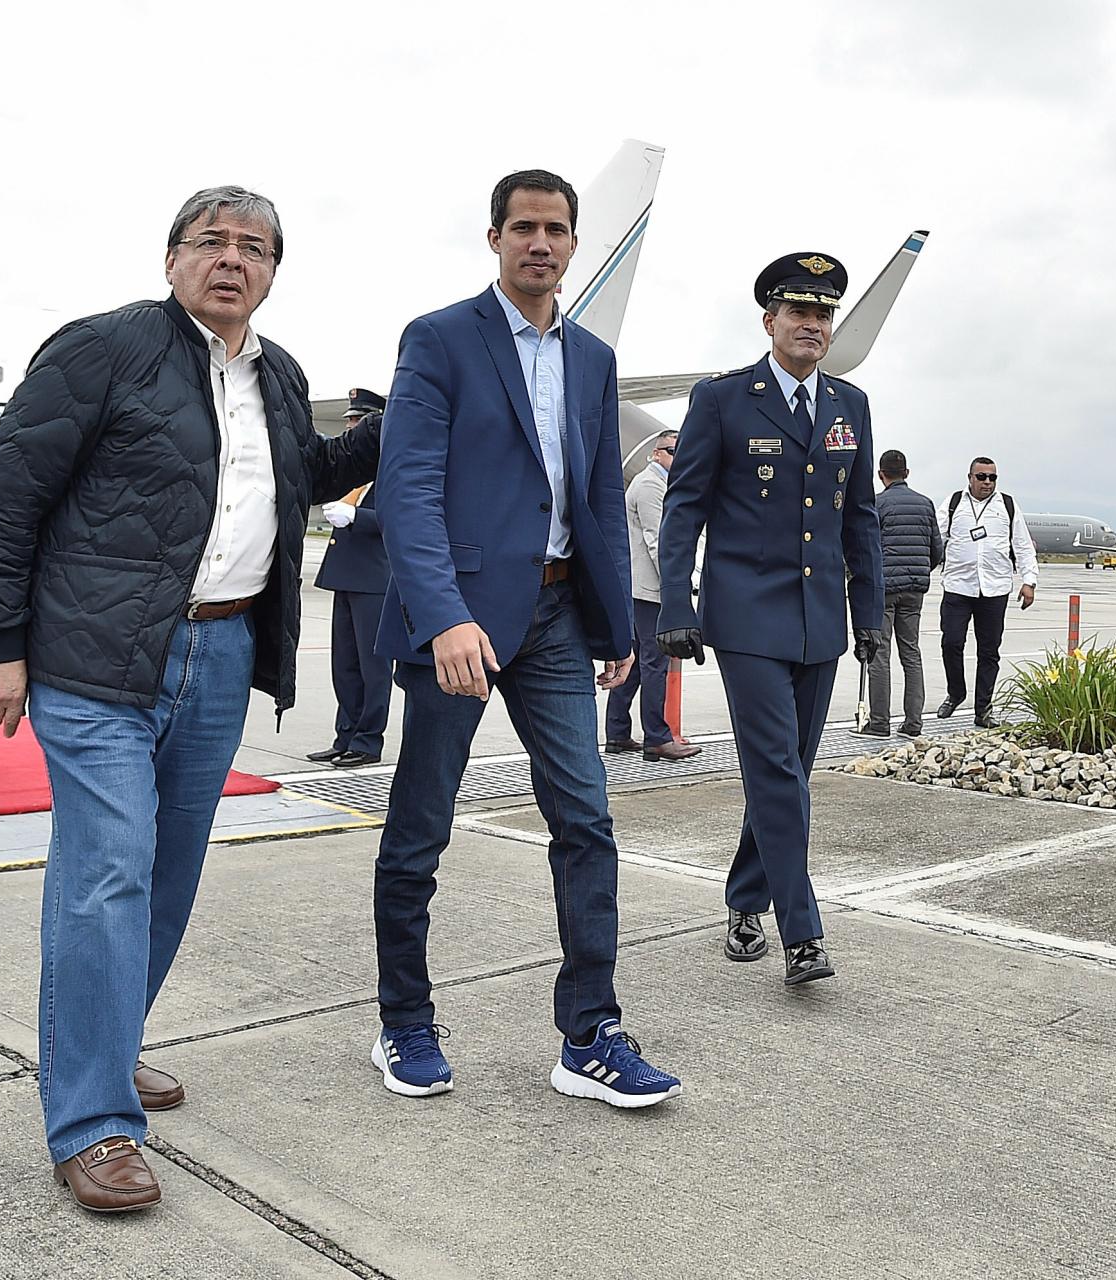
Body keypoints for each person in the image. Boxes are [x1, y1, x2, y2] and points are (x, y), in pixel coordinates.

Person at [0, 185, 380, 1212]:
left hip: (221, 652)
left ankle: (103, 1046)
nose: (230, 260)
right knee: (107, 873)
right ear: (170, 258)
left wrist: (406, 416)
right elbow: (6, 490)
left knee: (171, 872)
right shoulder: (101, 348)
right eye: (210, 242)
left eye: (253, 247)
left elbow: (304, 474)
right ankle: (94, 1119)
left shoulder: (278, 373)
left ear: (274, 271)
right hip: (95, 658)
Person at [372, 169, 681, 1109]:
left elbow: (592, 495)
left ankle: (590, 1034)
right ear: (496, 238)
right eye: (523, 228)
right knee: (421, 827)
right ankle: (405, 1023)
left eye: (556, 230)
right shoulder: (440, 341)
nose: (539, 243)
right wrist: (443, 618)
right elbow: (409, 489)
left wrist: (611, 613)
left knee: (585, 821)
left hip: (553, 617)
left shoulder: (590, 358)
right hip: (458, 621)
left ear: (575, 244)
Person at [656, 251, 882, 986]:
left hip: (820, 620)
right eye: (799, 312)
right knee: (779, 770)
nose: (812, 325)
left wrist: (869, 611)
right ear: (770, 321)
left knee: (788, 774)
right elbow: (683, 506)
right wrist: (675, 604)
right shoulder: (723, 399)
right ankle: (803, 932)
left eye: (823, 314)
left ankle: (744, 898)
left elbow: (861, 519)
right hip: (746, 616)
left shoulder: (850, 404)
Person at [307, 387, 393, 768]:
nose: (352, 428)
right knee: (344, 664)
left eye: (360, 422)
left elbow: (404, 519)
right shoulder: (355, 471)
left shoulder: (393, 470)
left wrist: (359, 517)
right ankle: (345, 735)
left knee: (373, 668)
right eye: (350, 422)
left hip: (375, 578)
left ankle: (368, 741)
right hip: (346, 574)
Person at [605, 431, 699, 762]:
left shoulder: (658, 484)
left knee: (633, 659)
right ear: (656, 453)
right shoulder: (649, 486)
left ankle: (617, 732)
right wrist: (676, 588)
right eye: (674, 451)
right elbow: (657, 540)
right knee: (654, 661)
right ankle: (657, 738)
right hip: (648, 588)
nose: (679, 457)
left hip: (639, 587)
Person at [935, 457, 1038, 728]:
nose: (987, 483)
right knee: (951, 643)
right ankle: (956, 692)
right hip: (958, 586)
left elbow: (1023, 545)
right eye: (981, 477)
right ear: (970, 477)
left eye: (992, 477)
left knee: (989, 651)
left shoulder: (1007, 505)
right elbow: (937, 539)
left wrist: (1029, 581)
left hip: (994, 588)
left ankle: (983, 709)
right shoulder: (954, 503)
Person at [856, 449, 943, 738]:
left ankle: (879, 723)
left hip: (883, 588)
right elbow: (936, 551)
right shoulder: (925, 503)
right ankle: (913, 724)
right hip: (915, 590)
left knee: (879, 655)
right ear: (907, 473)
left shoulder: (876, 504)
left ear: (881, 475)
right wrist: (919, 572)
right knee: (911, 653)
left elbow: (865, 548)